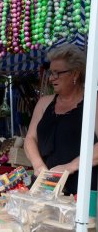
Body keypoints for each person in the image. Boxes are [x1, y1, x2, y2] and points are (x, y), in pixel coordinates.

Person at [24, 43, 98, 195]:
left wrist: (69, 167)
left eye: (57, 73)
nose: (51, 78)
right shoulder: (44, 103)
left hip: (82, 188)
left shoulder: (93, 102)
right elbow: (30, 138)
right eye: (51, 73)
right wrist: (38, 166)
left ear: (75, 74)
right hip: (46, 185)